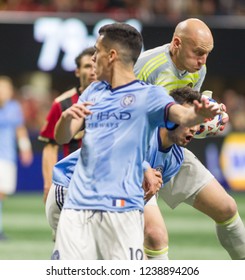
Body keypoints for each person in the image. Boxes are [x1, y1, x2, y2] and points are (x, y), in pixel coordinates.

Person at [52, 22, 220, 260]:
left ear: (111, 56)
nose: (92, 61)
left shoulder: (150, 95)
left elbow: (180, 115)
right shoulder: (94, 92)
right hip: (80, 204)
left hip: (125, 208)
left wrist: (197, 115)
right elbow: (63, 137)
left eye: (96, 52)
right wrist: (66, 120)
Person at [134, 18, 245, 260]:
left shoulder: (198, 70)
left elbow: (183, 118)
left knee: (227, 209)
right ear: (176, 43)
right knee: (154, 234)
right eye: (198, 53)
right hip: (136, 156)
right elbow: (122, 120)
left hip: (169, 151)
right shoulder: (145, 68)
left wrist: (207, 121)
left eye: (207, 54)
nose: (203, 61)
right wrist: (141, 166)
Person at [38, 47, 97, 202]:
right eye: (87, 66)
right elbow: (50, 146)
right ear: (77, 71)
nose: (92, 71)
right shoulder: (62, 104)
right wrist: (48, 183)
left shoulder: (115, 97)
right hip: (71, 180)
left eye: (96, 65)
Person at [0, 76, 33, 240]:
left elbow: (19, 129)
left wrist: (25, 148)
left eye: (5, 88)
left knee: (2, 193)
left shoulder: (14, 108)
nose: (2, 91)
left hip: (7, 156)